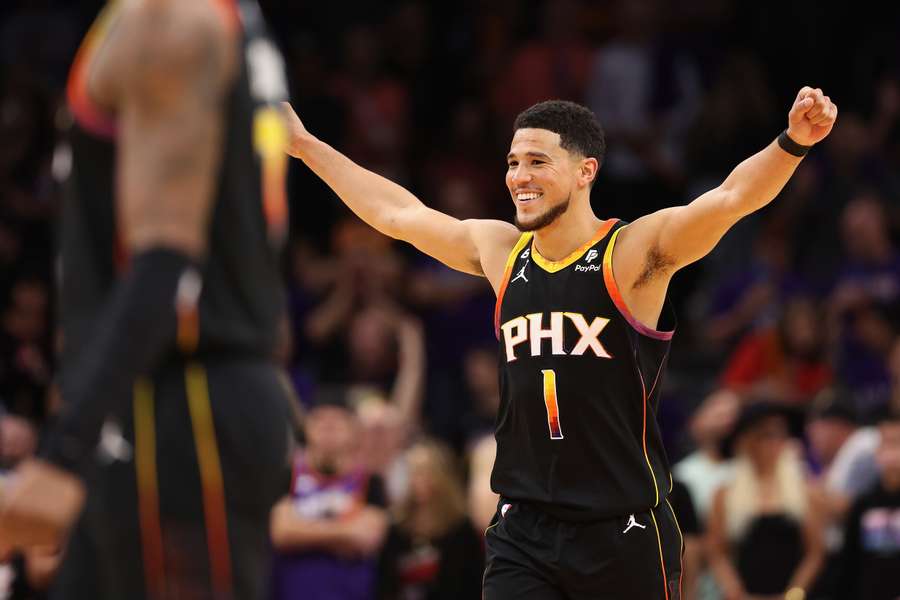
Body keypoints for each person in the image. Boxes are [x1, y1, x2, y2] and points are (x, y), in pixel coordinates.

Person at [281, 83, 838, 598]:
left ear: (584, 171)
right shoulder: (501, 250)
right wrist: (305, 145)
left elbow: (731, 198)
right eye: (513, 163)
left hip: (622, 525)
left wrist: (791, 143)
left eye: (537, 162)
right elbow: (396, 212)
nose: (518, 176)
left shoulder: (632, 254)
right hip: (524, 526)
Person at [0, 1, 294, 598]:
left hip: (182, 408)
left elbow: (166, 261)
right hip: (154, 400)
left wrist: (63, 450)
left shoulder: (172, 21)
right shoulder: (220, 19)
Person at [269, 387, 389, 600]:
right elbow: (281, 532)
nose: (328, 428)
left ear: (354, 430)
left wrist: (303, 531)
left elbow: (367, 537)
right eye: (319, 420)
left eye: (337, 421)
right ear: (306, 428)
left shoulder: (371, 482)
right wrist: (346, 531)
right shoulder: (286, 477)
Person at [706, 401, 824, 600]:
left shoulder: (804, 491)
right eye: (765, 435)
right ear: (748, 441)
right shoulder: (725, 494)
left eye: (779, 435)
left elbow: (815, 552)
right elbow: (717, 552)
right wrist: (736, 592)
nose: (773, 443)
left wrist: (793, 594)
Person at [376, 440, 484, 600]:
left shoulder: (461, 529)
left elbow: (471, 584)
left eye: (425, 472)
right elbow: (385, 583)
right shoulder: (397, 527)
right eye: (413, 473)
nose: (418, 480)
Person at [836, 411, 900, 600]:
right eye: (886, 443)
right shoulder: (863, 504)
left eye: (897, 443)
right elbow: (849, 564)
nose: (892, 452)